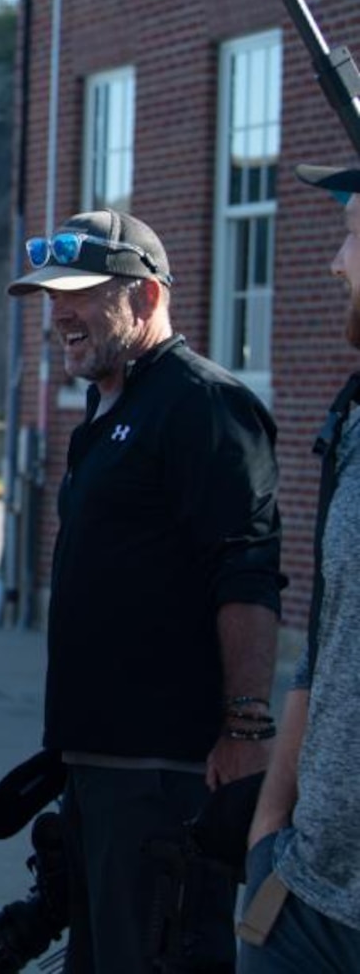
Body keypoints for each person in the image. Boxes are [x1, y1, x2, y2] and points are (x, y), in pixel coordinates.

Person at [7, 208, 282, 973]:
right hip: (98, 769)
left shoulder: (203, 405)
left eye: (79, 294)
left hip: (166, 776)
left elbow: (246, 569)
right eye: (48, 297)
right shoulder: (106, 409)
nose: (58, 313)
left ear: (147, 297)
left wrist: (245, 727)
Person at [241, 163, 360, 972]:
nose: (336, 261)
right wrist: (269, 830)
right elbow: (324, 637)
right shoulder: (353, 416)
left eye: (353, 233)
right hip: (306, 892)